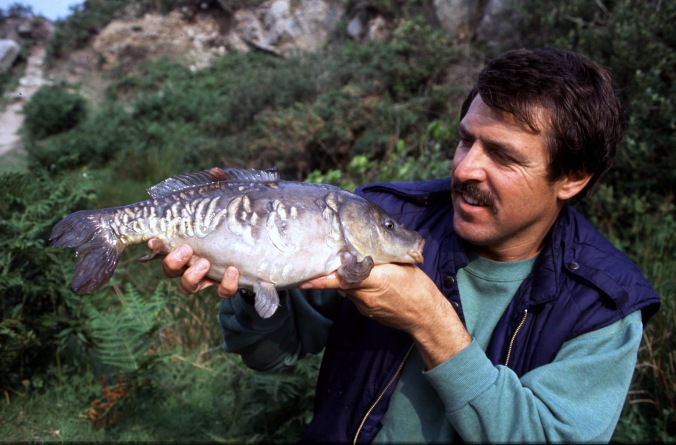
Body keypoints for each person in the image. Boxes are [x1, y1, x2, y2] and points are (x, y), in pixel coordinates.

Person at [151, 47, 660, 443]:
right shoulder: (380, 219)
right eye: (466, 140)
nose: (464, 169)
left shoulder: (605, 304)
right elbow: (269, 354)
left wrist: (430, 320)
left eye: (502, 156)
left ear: (571, 178)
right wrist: (244, 277)